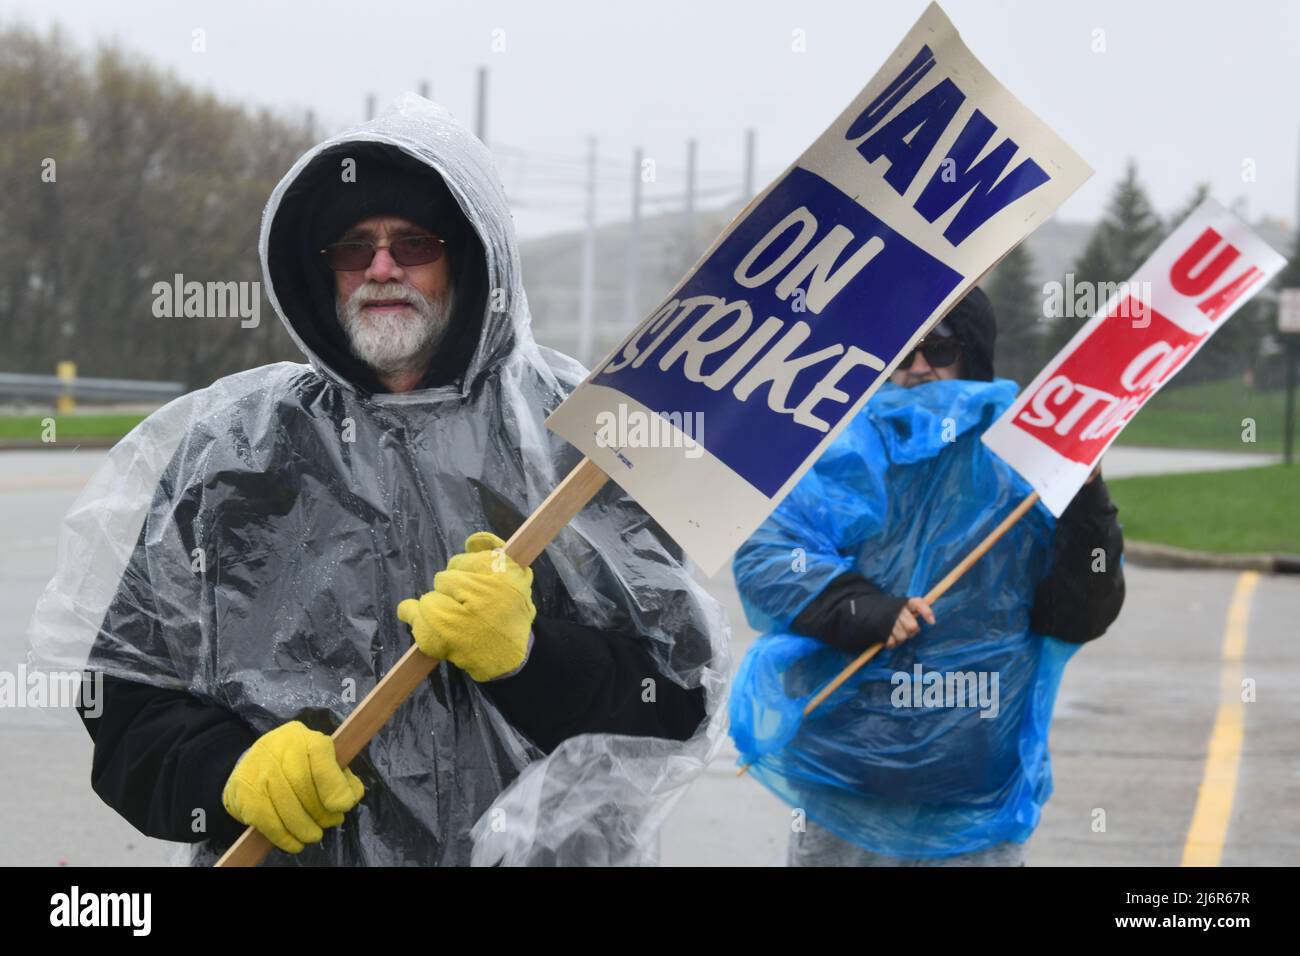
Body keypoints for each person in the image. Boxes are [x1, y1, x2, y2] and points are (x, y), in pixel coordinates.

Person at [29, 93, 727, 866]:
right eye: (354, 248)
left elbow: (677, 699)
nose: (382, 268)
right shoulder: (236, 453)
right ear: (320, 271)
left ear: (469, 256)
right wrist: (226, 774)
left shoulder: (577, 442)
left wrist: (531, 659)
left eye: (413, 243)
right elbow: (127, 704)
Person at [729, 287, 1125, 866]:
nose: (918, 367)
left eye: (939, 347)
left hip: (971, 798)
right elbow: (768, 556)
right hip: (851, 781)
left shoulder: (1027, 461)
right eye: (901, 349)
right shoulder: (845, 447)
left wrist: (1087, 500)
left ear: (975, 353)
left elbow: (1079, 612)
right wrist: (864, 609)